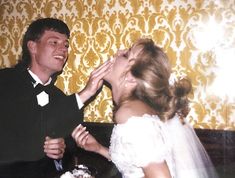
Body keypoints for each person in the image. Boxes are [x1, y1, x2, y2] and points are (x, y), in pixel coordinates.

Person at [71, 38, 218, 178]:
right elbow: (135, 163)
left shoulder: (128, 114)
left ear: (131, 77)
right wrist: (98, 149)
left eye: (126, 54)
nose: (118, 51)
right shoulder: (140, 110)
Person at [0, 18, 112, 178]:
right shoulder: (5, 81)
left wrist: (62, 150)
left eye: (66, 45)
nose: (63, 49)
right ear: (32, 46)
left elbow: (73, 149)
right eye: (54, 42)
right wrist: (86, 93)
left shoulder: (60, 98)